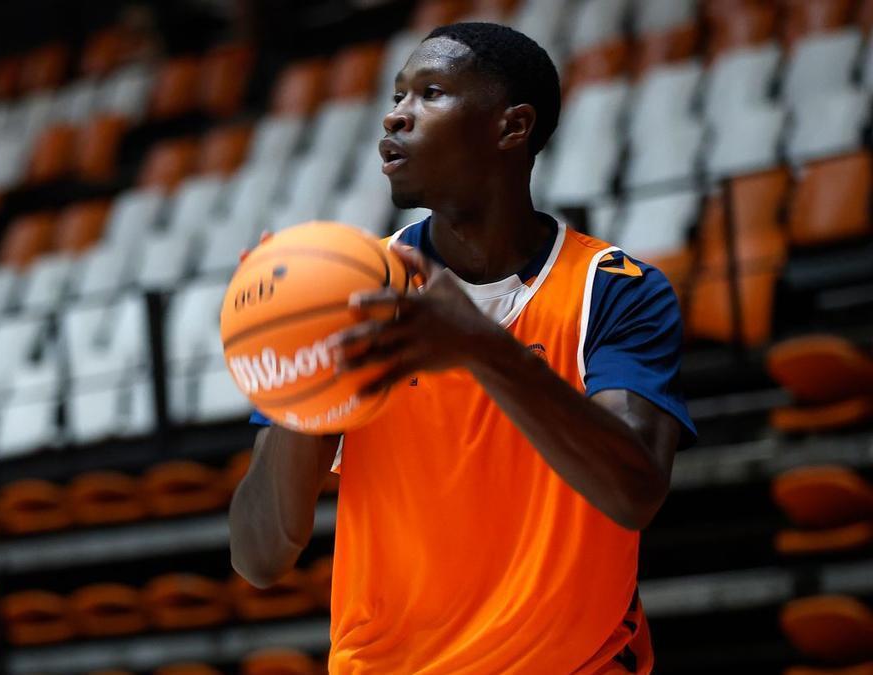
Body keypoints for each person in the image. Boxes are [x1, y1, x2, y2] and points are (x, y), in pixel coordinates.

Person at [229, 22, 696, 674]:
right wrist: (297, 370)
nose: (396, 114)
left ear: (512, 127)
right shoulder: (350, 293)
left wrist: (484, 348)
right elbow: (260, 558)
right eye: (397, 94)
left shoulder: (614, 288)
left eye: (431, 92)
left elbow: (635, 491)